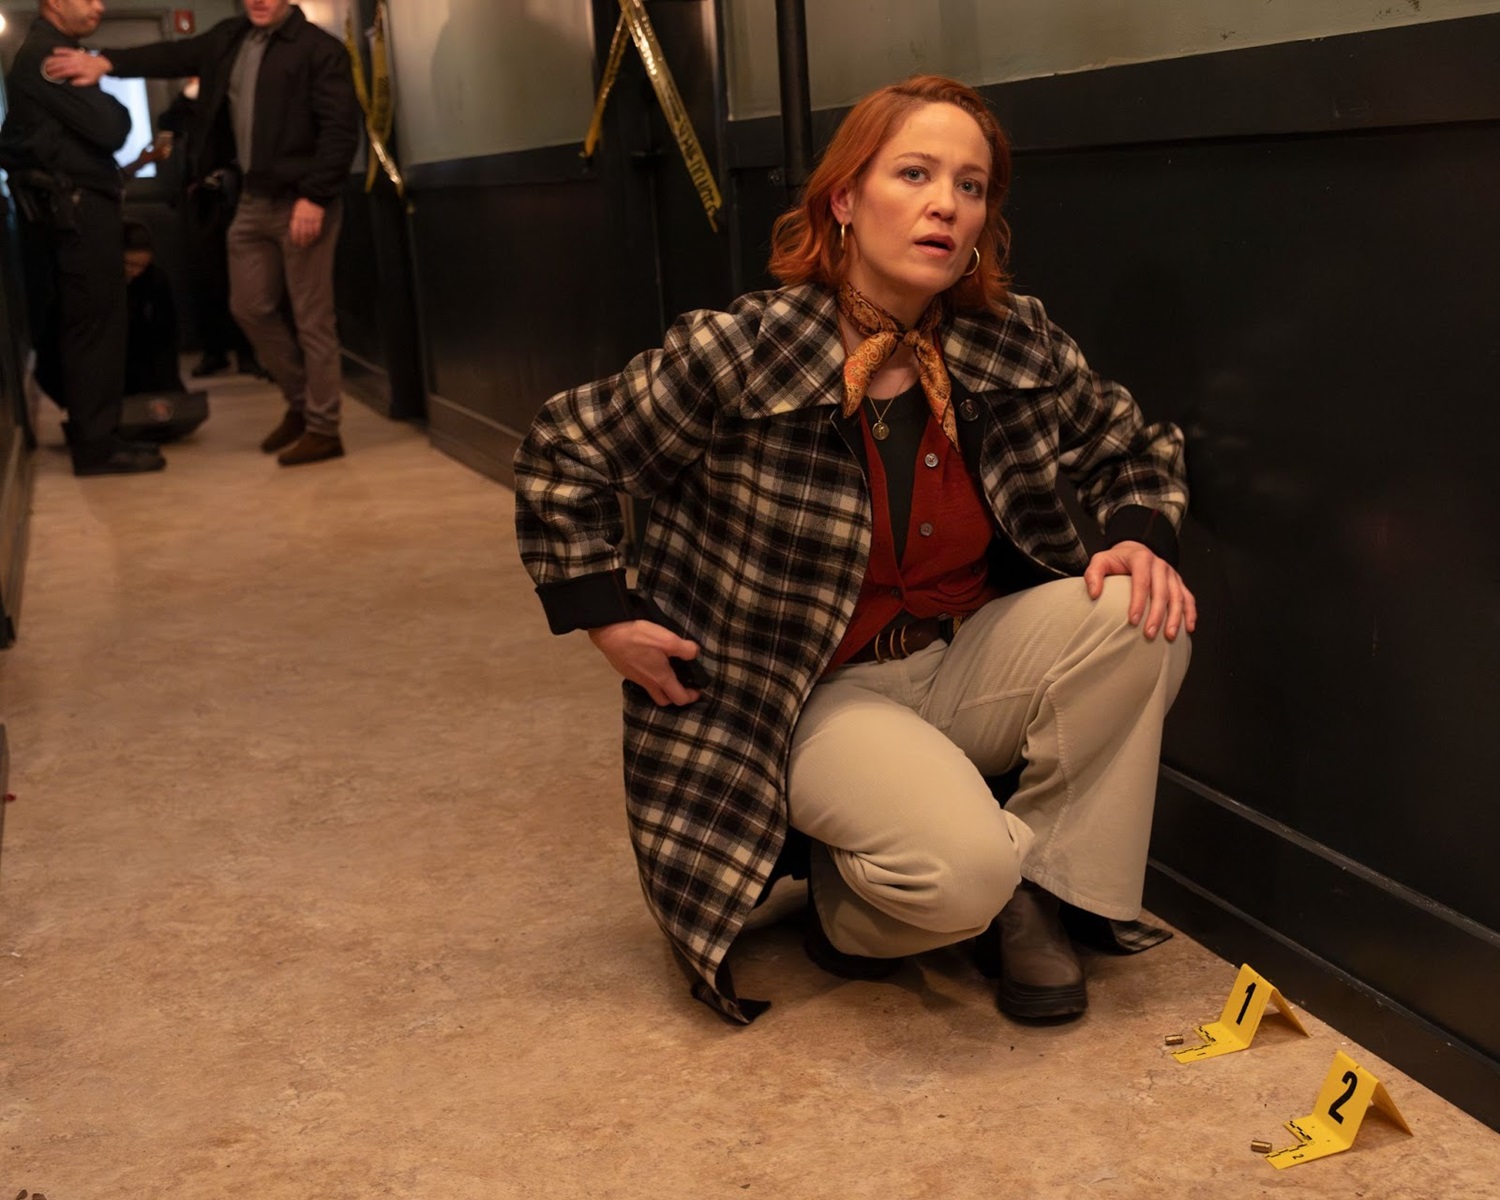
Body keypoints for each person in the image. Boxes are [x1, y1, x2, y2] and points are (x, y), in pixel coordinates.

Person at [514, 76, 1195, 1026]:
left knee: (1142, 613)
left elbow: (1131, 444)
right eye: (914, 174)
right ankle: (858, 909)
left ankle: (1040, 889)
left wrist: (1137, 536)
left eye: (969, 186)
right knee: (959, 876)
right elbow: (564, 451)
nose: (944, 204)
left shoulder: (1010, 339)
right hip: (809, 693)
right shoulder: (743, 349)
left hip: (963, 658)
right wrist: (604, 616)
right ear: (844, 199)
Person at [46, 0, 361, 467]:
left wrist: (315, 196)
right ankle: (301, 402)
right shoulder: (230, 38)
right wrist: (105, 61)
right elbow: (172, 55)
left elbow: (341, 128)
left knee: (312, 318)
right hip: (252, 199)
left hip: (303, 201)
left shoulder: (321, 50)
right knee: (249, 308)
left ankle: (324, 428)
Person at [0, 0, 166, 475]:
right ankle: (97, 444)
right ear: (54, 2)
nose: (99, 6)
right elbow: (112, 127)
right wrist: (107, 100)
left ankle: (96, 431)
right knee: (95, 325)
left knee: (89, 322)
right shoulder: (50, 56)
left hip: (74, 208)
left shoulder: (56, 51)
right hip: (76, 211)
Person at [155, 79, 264, 380]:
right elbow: (168, 121)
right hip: (202, 201)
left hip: (238, 196)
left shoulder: (235, 99)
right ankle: (215, 351)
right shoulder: (192, 108)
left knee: (242, 277)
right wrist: (192, 92)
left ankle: (247, 352)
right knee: (206, 278)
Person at [121, 220, 185, 395]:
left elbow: (167, 331)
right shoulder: (103, 281)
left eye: (142, 266)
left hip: (145, 354)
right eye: (129, 264)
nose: (136, 271)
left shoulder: (155, 279)